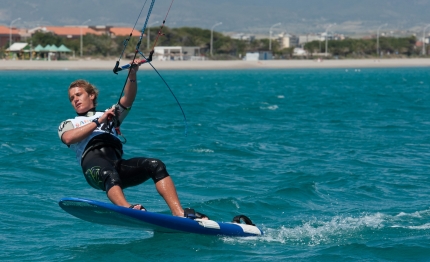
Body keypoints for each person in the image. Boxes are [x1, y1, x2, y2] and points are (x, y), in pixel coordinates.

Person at [58, 59, 207, 220]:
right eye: (72, 98)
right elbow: (68, 138)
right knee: (109, 172)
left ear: (91, 95)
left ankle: (179, 212)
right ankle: (126, 208)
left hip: (116, 164)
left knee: (155, 165)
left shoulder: (110, 115)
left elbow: (128, 99)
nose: (75, 100)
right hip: (93, 168)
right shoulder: (70, 123)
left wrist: (132, 74)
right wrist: (99, 121)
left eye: (79, 95)